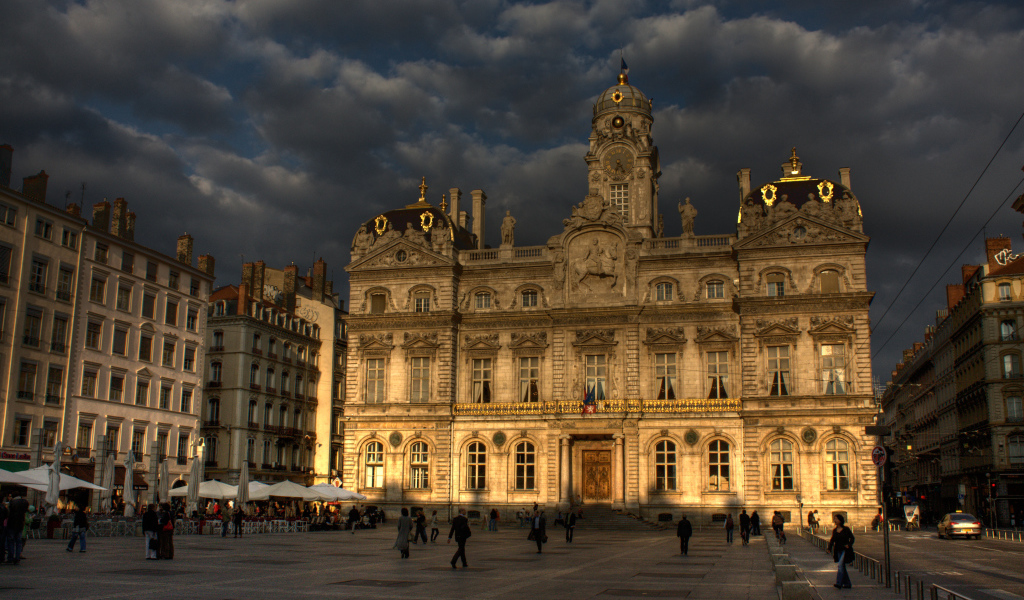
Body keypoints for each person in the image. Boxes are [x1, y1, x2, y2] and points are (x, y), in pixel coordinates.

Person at [827, 514, 855, 589]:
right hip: (838, 550)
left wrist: (849, 544)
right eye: (834, 519)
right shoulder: (835, 530)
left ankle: (839, 583)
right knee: (842, 566)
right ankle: (847, 583)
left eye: (836, 519)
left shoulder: (846, 529)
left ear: (840, 520)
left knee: (840, 565)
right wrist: (829, 548)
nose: (835, 520)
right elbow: (832, 540)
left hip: (845, 550)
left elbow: (852, 538)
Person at [6, 494, 29, 564]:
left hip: (12, 524)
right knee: (18, 541)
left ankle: (10, 557)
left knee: (11, 541)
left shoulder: (12, 502)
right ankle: (17, 557)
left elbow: (8, 513)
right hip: (20, 524)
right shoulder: (24, 502)